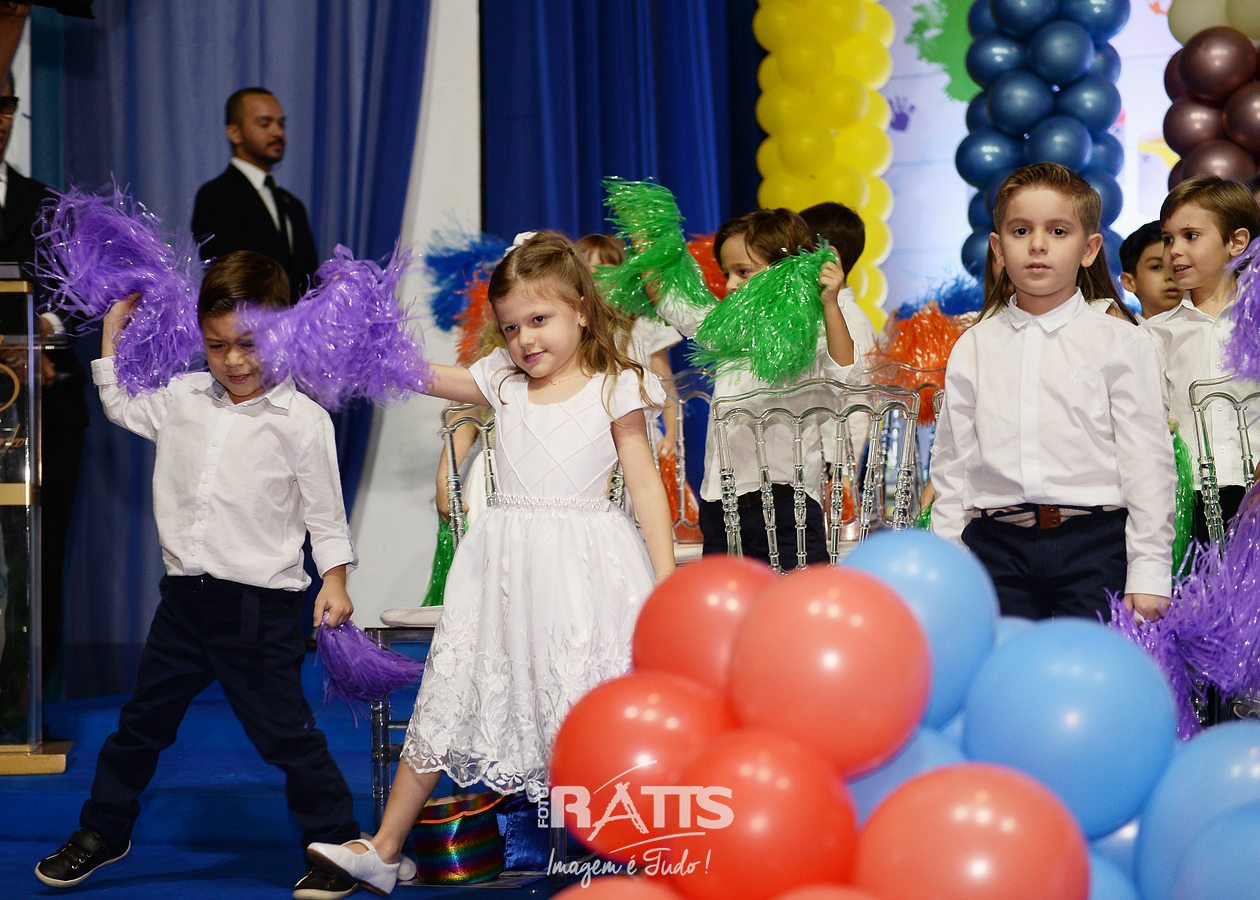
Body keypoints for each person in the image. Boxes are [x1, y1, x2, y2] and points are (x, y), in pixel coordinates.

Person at [305, 231, 674, 895]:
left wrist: (665, 579)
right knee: (448, 693)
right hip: (502, 569)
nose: (525, 339)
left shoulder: (616, 385)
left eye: (540, 319)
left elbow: (645, 485)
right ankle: (385, 848)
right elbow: (421, 376)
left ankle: (643, 853)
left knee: (586, 701)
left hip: (584, 567)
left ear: (580, 310)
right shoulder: (502, 380)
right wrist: (365, 338)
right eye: (511, 327)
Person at [34, 252, 363, 900]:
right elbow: (120, 403)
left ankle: (338, 845)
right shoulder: (182, 398)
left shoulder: (304, 422)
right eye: (217, 346)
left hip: (260, 611)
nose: (234, 360)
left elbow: (326, 518)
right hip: (183, 604)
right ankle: (103, 831)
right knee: (140, 727)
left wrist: (336, 580)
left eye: (249, 343)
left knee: (286, 737)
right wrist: (111, 335)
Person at [931, 162, 1174, 624]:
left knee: (1088, 662)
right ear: (998, 248)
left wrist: (1150, 570)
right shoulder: (975, 345)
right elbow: (952, 463)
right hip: (995, 547)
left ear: (1089, 249)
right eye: (1021, 231)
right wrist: (949, 560)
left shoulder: (1122, 342)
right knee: (1004, 662)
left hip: (1094, 543)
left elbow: (1147, 461)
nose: (1038, 245)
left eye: (1058, 231)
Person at [654, 207, 861, 565]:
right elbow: (673, 304)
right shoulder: (727, 330)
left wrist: (829, 303)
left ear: (786, 269)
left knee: (794, 598)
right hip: (722, 503)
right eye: (727, 273)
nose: (730, 284)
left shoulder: (810, 330)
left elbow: (845, 375)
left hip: (789, 505)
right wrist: (648, 235)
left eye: (743, 271)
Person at [0, 70, 88, 686]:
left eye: (7, 102)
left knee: (39, 556)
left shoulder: (49, 205)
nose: (0, 116)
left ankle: (24, 701)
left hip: (45, 412)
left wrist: (41, 329)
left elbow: (84, 295)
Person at [1144, 175, 1260, 543]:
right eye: (1168, 239)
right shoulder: (1155, 333)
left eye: (1190, 236)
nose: (1174, 251)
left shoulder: (1256, 320)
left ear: (1236, 242)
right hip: (1189, 497)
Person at [191, 88, 318, 303]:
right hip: (245, 320)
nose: (277, 132)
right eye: (265, 123)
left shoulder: (293, 205)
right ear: (235, 133)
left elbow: (309, 280)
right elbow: (228, 274)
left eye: (281, 124)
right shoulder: (215, 196)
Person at [1120, 220, 1182, 320]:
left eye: (1178, 266)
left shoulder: (1206, 327)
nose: (1170, 276)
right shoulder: (1121, 330)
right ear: (1129, 282)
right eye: (1156, 267)